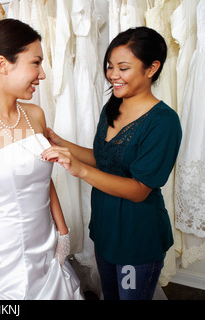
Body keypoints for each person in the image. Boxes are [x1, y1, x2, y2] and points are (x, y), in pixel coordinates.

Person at [41, 26, 182, 300]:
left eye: (123, 68)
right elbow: (105, 159)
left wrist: (81, 171)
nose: (113, 75)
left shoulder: (163, 121)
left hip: (137, 236)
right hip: (106, 230)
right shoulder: (112, 107)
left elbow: (139, 189)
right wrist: (59, 142)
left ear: (152, 68)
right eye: (110, 67)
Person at [0, 19, 83, 300]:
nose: (42, 74)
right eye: (35, 63)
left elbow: (43, 179)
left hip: (45, 250)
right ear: (3, 64)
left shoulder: (35, 115)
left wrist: (63, 231)